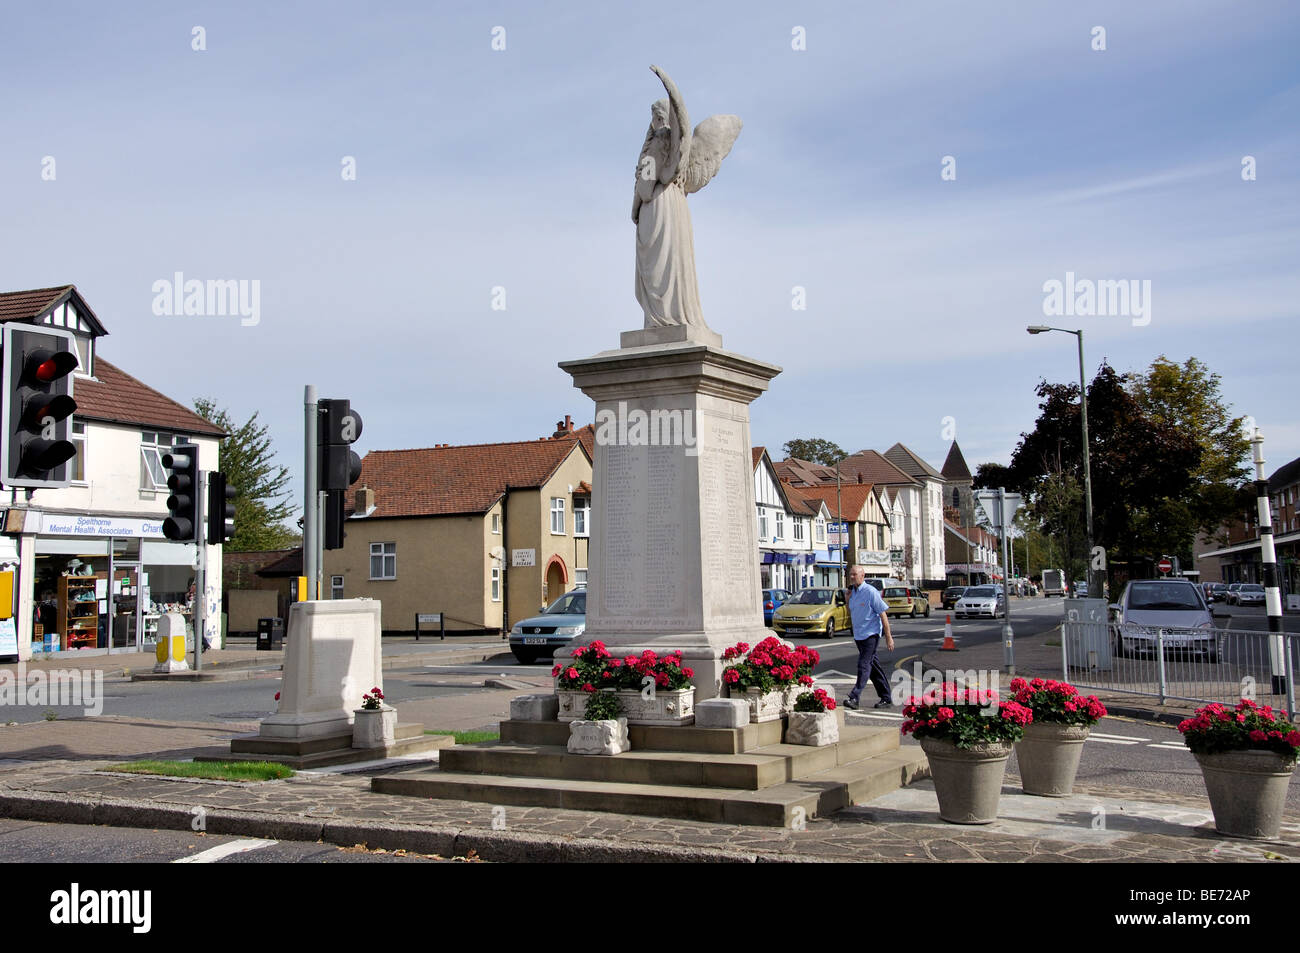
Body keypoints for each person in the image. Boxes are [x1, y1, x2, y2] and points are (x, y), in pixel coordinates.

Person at [844, 564, 895, 709]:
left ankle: (855, 697)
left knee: (863, 665)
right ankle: (886, 697)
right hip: (859, 635)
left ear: (862, 575)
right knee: (873, 668)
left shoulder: (870, 591)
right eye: (851, 574)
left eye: (855, 574)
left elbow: (883, 614)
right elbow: (852, 611)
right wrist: (847, 599)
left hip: (871, 635)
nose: (852, 577)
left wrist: (888, 637)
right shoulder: (852, 593)